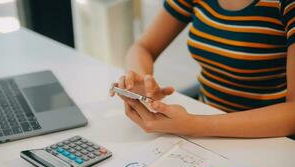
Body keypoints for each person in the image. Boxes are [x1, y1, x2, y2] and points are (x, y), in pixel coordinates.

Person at [112, 0, 295, 138]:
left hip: (267, 137)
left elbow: (292, 112)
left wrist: (191, 124)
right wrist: (143, 79)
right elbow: (143, 47)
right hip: (206, 127)